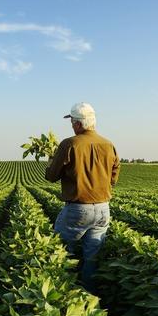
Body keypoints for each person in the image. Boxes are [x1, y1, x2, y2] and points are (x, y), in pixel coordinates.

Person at [45, 102, 120, 292]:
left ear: (78, 124)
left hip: (77, 209)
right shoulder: (109, 144)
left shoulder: (69, 144)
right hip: (103, 208)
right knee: (91, 257)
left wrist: (51, 160)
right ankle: (88, 298)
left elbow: (52, 176)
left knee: (61, 252)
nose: (71, 126)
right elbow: (114, 177)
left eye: (72, 122)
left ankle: (63, 293)